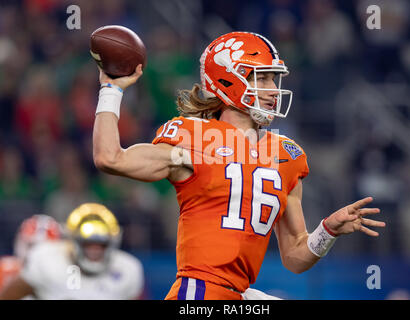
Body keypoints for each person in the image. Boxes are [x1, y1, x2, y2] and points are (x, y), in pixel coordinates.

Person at [92, 31, 385, 300]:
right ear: (228, 79)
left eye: (274, 79)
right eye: (262, 78)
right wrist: (111, 90)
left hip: (238, 294)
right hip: (200, 292)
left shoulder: (287, 155)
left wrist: (327, 231)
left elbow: (295, 256)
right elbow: (110, 158)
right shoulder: (195, 139)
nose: (273, 90)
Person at [0, 203, 144, 300]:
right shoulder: (47, 260)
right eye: (88, 244)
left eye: (101, 245)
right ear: (73, 241)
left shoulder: (128, 269)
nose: (94, 250)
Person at [0, 214, 62, 295]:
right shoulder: (5, 270)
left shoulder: (64, 275)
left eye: (42, 248)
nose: (35, 254)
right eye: (31, 246)